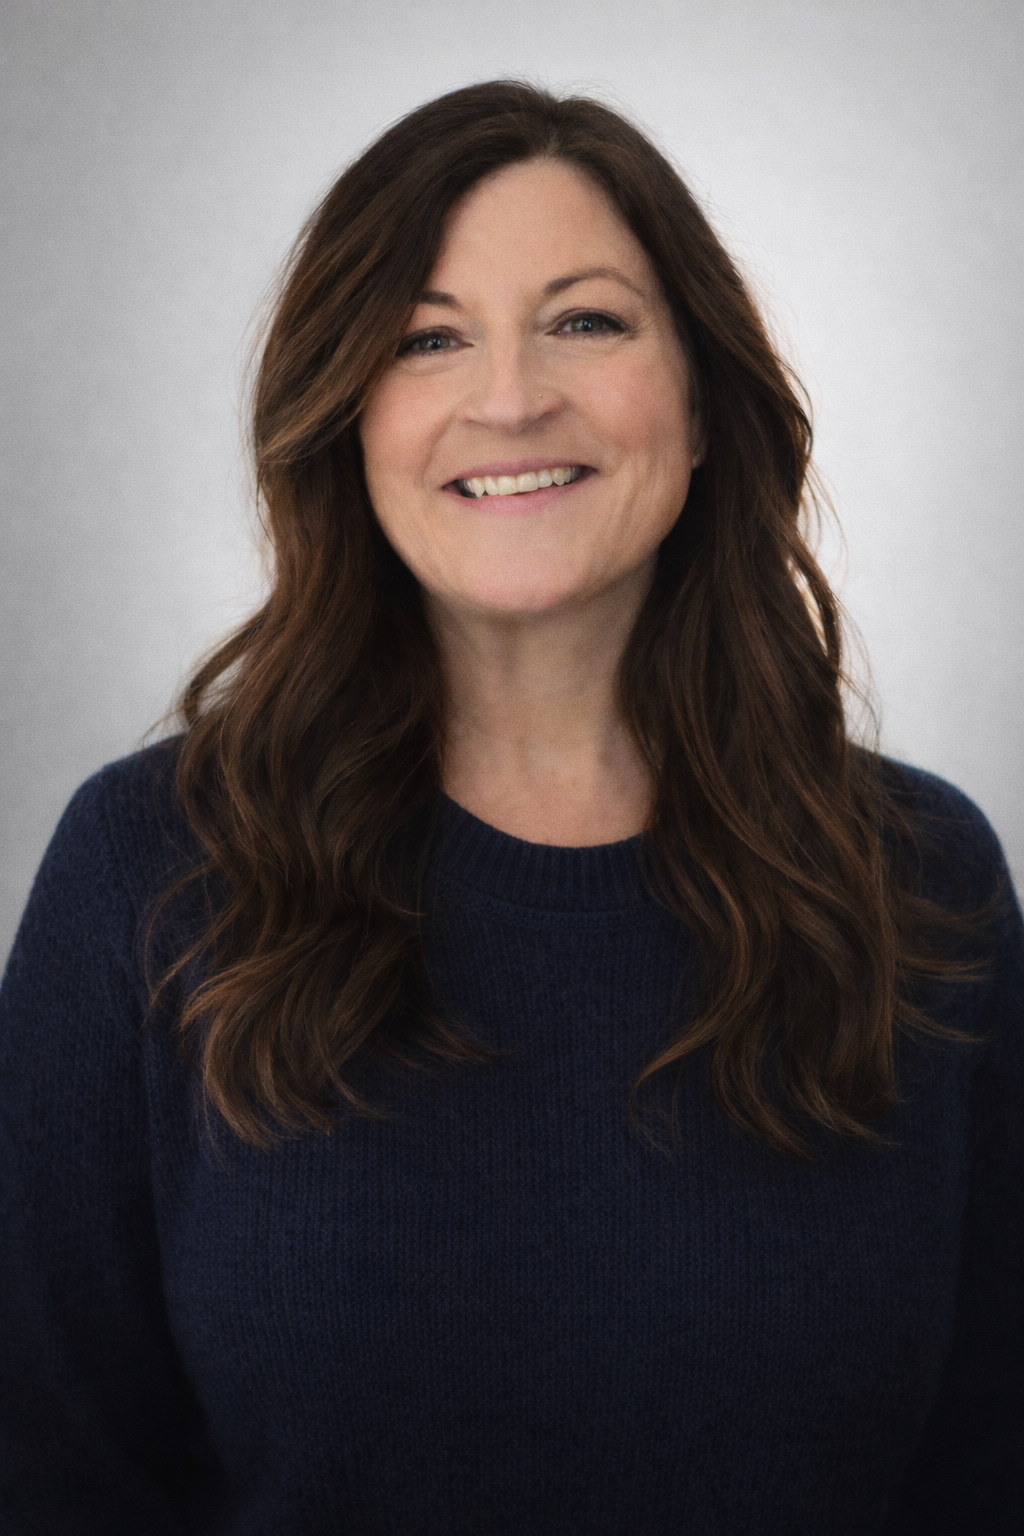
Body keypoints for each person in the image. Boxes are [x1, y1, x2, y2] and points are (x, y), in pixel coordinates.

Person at [0, 80, 1020, 1536]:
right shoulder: (149, 874)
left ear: (705, 399)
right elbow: (49, 1479)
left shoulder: (925, 883)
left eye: (587, 320)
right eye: (429, 337)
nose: (511, 395)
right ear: (349, 422)